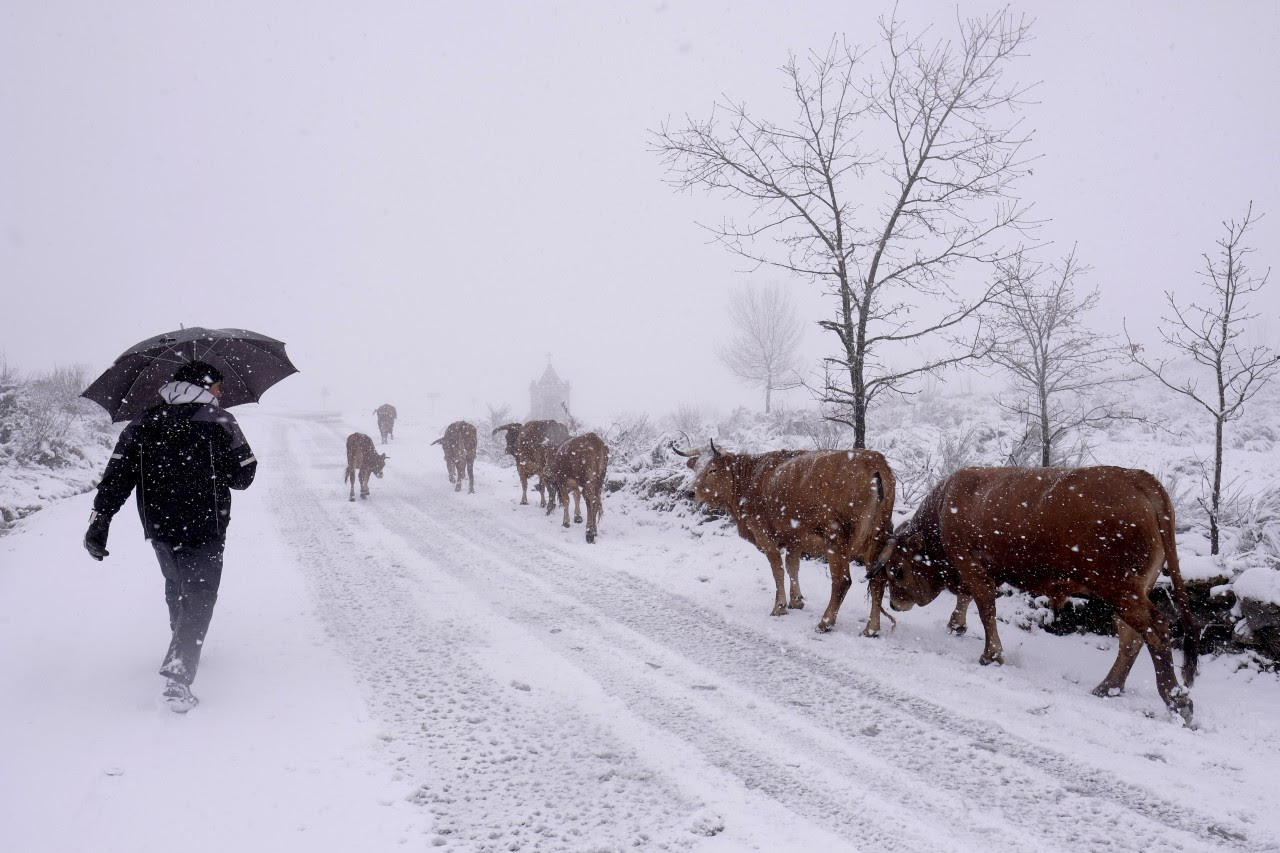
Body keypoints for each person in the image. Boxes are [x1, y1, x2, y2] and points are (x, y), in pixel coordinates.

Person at [83, 360, 257, 712]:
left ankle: (182, 639)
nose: (221, 392)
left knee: (177, 584)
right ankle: (179, 674)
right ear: (204, 386)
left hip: (160, 527)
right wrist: (225, 458)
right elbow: (243, 476)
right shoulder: (219, 420)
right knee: (200, 594)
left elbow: (117, 475)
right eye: (218, 386)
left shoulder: (143, 422)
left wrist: (100, 519)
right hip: (206, 524)